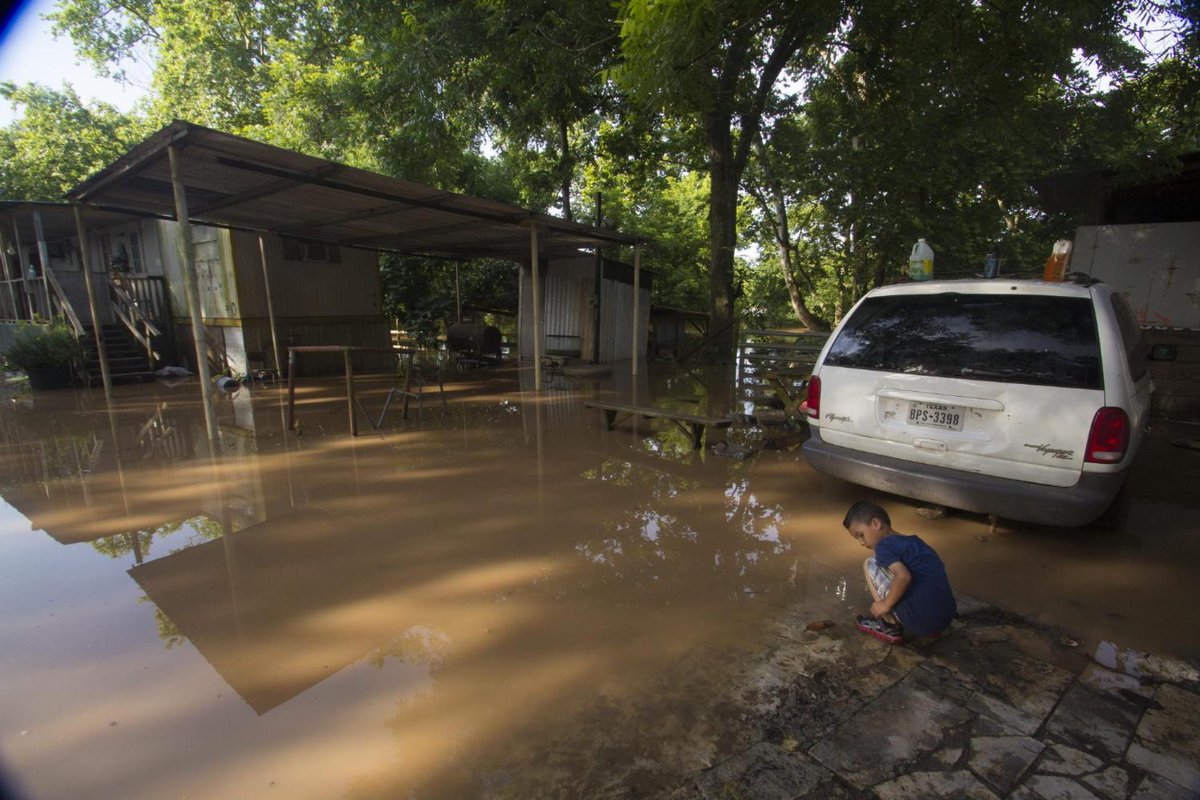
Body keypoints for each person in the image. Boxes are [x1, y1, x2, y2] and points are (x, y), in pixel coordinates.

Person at [843, 500, 956, 644]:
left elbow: (903, 576)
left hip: (920, 621)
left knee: (869, 563)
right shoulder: (916, 542)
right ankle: (929, 627)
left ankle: (890, 625)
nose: (861, 543)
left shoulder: (884, 546)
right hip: (945, 618)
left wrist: (885, 605)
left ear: (876, 524)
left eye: (861, 535)